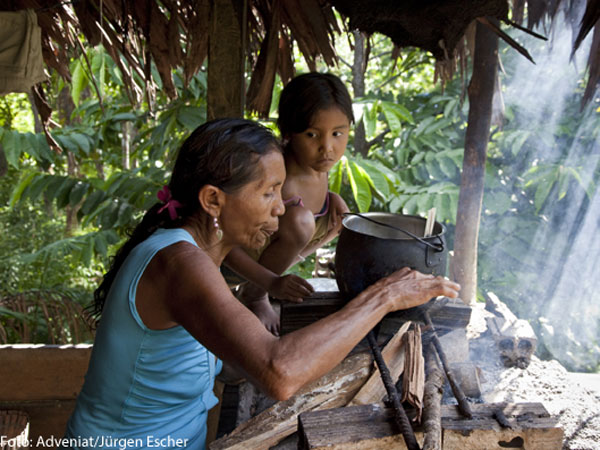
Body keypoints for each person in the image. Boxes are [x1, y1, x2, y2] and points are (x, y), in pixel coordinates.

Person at [63, 118, 460, 449]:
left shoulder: (195, 256)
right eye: (269, 191)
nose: (279, 206)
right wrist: (385, 295)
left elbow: (236, 361)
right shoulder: (179, 263)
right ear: (213, 200)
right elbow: (279, 373)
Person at [224, 73, 354, 336]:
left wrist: (333, 201)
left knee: (344, 219)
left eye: (338, 133)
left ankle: (256, 290)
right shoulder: (272, 177)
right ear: (288, 133)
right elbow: (222, 246)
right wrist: (269, 285)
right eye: (311, 134)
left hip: (265, 265)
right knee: (301, 221)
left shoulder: (318, 165)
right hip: (231, 269)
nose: (327, 148)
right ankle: (254, 296)